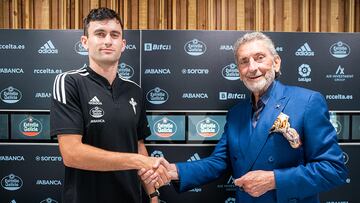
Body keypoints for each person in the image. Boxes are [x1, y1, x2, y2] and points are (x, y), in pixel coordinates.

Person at [140, 32, 348, 203]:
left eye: (259, 58)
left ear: (276, 63)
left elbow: (333, 169)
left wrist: (274, 180)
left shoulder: (307, 101)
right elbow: (219, 162)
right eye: (244, 62)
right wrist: (174, 171)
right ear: (239, 72)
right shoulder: (237, 113)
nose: (253, 68)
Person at [50, 7, 169, 203]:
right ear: (85, 42)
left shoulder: (134, 91)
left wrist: (153, 195)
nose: (107, 41)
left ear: (122, 44)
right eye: (99, 34)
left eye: (114, 35)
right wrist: (138, 161)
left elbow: (138, 145)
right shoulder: (68, 82)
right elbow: (71, 153)